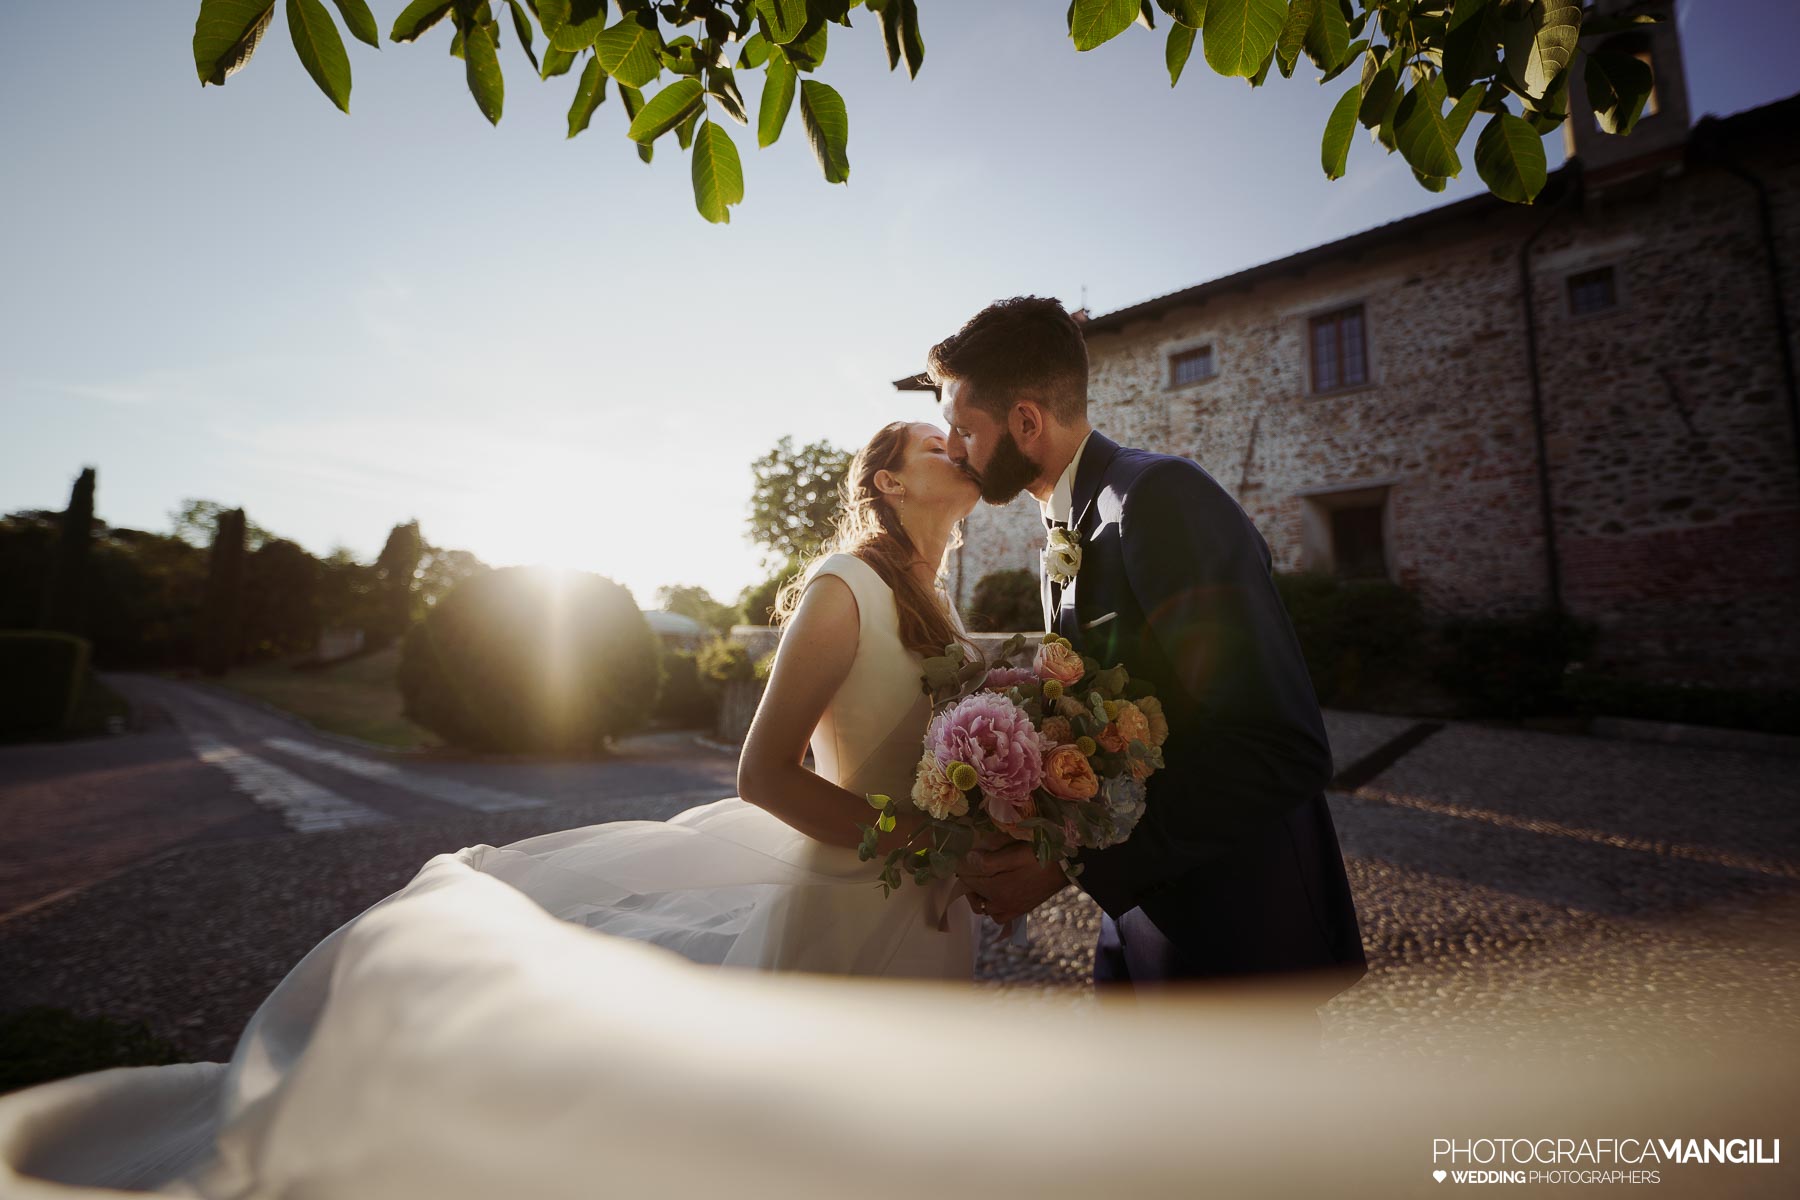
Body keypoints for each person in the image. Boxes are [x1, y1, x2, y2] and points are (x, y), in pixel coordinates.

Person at [0, 421, 984, 1193]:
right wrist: (917, 839)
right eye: (936, 444)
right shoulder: (845, 585)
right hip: (853, 902)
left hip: (932, 907)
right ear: (888, 483)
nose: (960, 448)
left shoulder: (936, 604)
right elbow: (764, 775)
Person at [936, 297, 1368, 1013]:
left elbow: (1278, 747)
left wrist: (1068, 864)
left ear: (1026, 422)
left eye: (963, 429)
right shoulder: (1069, 526)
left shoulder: (1158, 498)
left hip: (1238, 939)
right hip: (1139, 923)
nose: (954, 449)